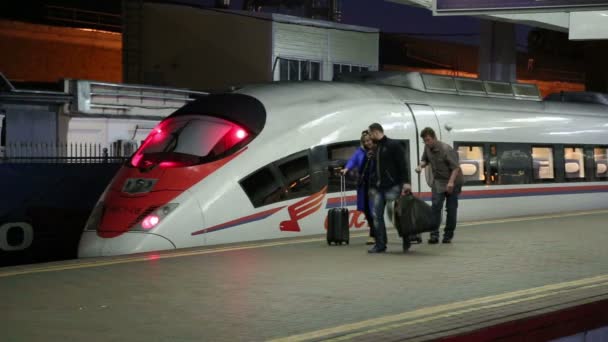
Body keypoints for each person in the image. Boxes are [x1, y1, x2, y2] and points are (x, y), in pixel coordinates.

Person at [367, 123, 411, 253]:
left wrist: (406, 182)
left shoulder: (393, 145)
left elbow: (402, 165)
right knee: (376, 216)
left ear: (375, 132)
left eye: (370, 134)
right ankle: (380, 244)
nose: (369, 137)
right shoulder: (376, 148)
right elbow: (376, 169)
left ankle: (406, 239)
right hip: (378, 188)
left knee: (397, 216)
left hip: (393, 186)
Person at [415, 127, 463, 244]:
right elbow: (425, 160)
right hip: (438, 182)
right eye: (424, 141)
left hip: (454, 180)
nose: (427, 143)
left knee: (451, 209)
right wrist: (420, 166)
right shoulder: (427, 148)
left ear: (434, 138)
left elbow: (455, 168)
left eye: (428, 140)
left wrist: (451, 182)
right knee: (435, 207)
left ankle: (448, 235)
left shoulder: (446, 149)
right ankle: (434, 235)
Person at [342, 130, 376, 245]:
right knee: (366, 209)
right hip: (363, 185)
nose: (367, 143)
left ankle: (373, 234)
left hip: (375, 185)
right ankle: (375, 232)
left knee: (373, 210)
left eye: (369, 140)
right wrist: (346, 169)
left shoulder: (377, 150)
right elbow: (352, 161)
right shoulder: (360, 152)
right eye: (365, 141)